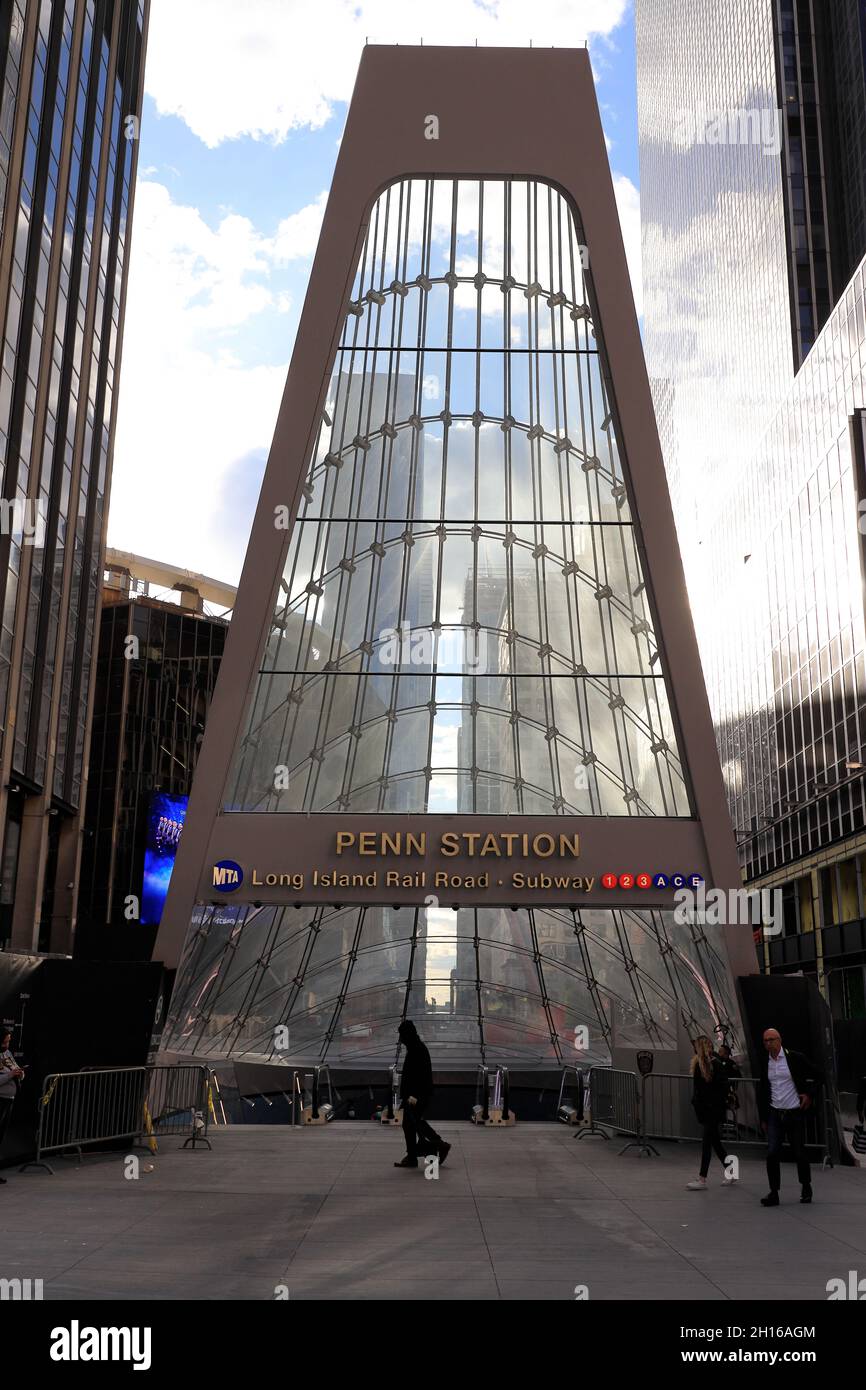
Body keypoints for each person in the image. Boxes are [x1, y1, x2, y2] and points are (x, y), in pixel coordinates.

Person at [757, 1027, 820, 1207]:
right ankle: (774, 1192)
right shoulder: (765, 1062)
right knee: (772, 1153)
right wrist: (763, 1117)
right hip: (775, 1113)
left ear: (779, 1040)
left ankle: (806, 1186)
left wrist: (809, 1094)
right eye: (765, 1041)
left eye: (771, 1040)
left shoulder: (794, 1058)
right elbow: (762, 1090)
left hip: (794, 1113)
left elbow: (819, 1075)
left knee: (799, 1153)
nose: (768, 1043)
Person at [393, 1020, 450, 1170]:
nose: (400, 1039)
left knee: (412, 1123)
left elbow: (417, 1077)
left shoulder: (416, 1050)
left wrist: (411, 1097)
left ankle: (431, 1148)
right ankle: (419, 1152)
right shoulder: (417, 1048)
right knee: (414, 1123)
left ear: (407, 1034)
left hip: (415, 1096)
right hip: (417, 1095)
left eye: (402, 1035)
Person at [686, 1035, 735, 1189]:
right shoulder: (710, 1063)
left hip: (711, 1110)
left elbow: (711, 1088)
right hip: (711, 1110)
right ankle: (732, 1172)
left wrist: (706, 1103)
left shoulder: (709, 1064)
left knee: (708, 1143)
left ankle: (702, 1179)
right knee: (715, 1143)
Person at [0, 1026, 24, 1184]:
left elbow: (14, 1067)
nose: (8, 1044)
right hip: (0, 1099)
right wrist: (10, 1075)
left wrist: (20, 1073)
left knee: (0, 1137)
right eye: (5, 1041)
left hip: (9, 1099)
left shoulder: (7, 1054)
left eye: (9, 1041)